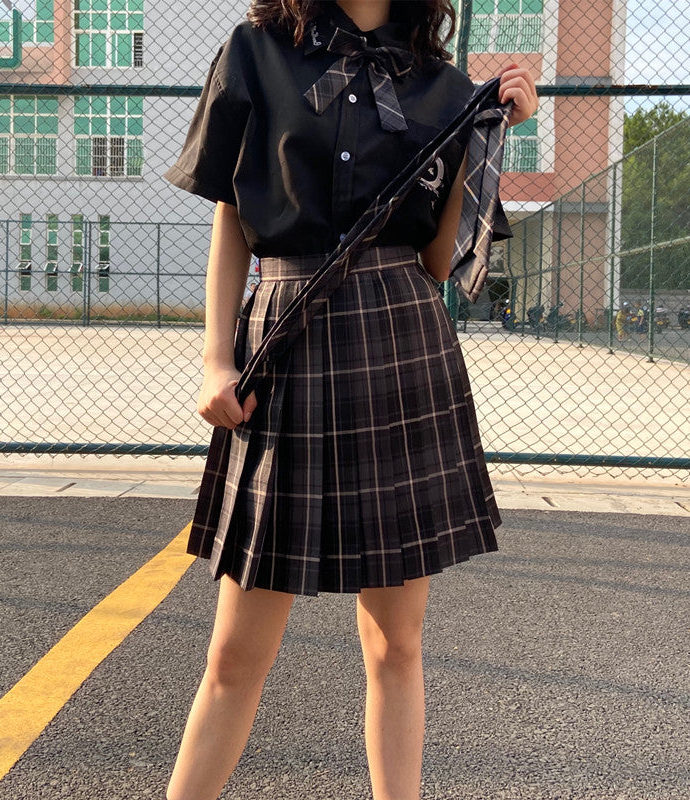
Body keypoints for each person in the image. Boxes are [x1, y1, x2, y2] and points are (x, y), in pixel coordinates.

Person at [162, 2, 538, 799]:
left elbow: (438, 262)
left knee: (395, 646)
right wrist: (214, 358)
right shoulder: (256, 50)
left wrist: (490, 132)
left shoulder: (442, 86)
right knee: (233, 655)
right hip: (285, 339)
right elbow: (232, 217)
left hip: (401, 346)